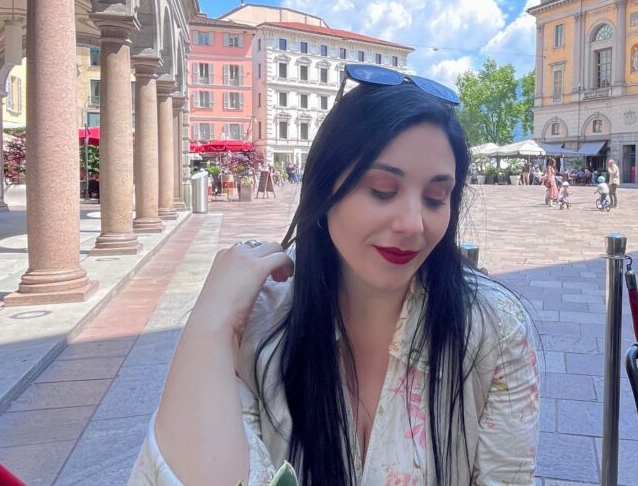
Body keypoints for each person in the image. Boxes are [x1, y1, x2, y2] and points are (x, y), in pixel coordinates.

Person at [131, 67, 539, 485]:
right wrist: (209, 322)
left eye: (436, 197)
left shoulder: (494, 328)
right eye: (382, 190)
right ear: (325, 188)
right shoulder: (257, 320)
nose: (413, 223)